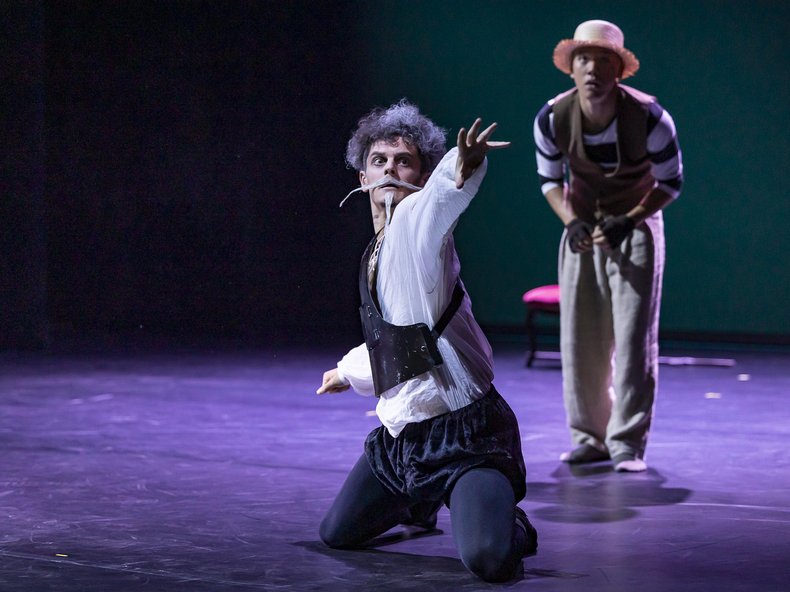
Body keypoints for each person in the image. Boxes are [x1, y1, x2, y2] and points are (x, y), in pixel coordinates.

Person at [317, 100, 537, 583]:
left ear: (421, 174)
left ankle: (509, 522)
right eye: (379, 161)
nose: (390, 170)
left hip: (465, 435)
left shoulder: (417, 225)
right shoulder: (375, 250)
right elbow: (402, 340)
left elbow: (442, 198)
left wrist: (462, 165)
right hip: (405, 436)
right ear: (363, 178)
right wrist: (347, 370)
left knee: (489, 559)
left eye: (404, 161)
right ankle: (420, 501)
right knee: (337, 533)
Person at [533, 20, 683, 472]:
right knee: (580, 336)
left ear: (618, 70)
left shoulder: (651, 117)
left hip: (634, 225)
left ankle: (626, 443)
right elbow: (549, 180)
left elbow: (671, 183)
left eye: (603, 61)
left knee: (634, 337)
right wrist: (572, 221)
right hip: (581, 224)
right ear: (571, 68)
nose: (592, 69)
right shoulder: (552, 117)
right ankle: (589, 437)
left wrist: (629, 219)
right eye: (584, 59)